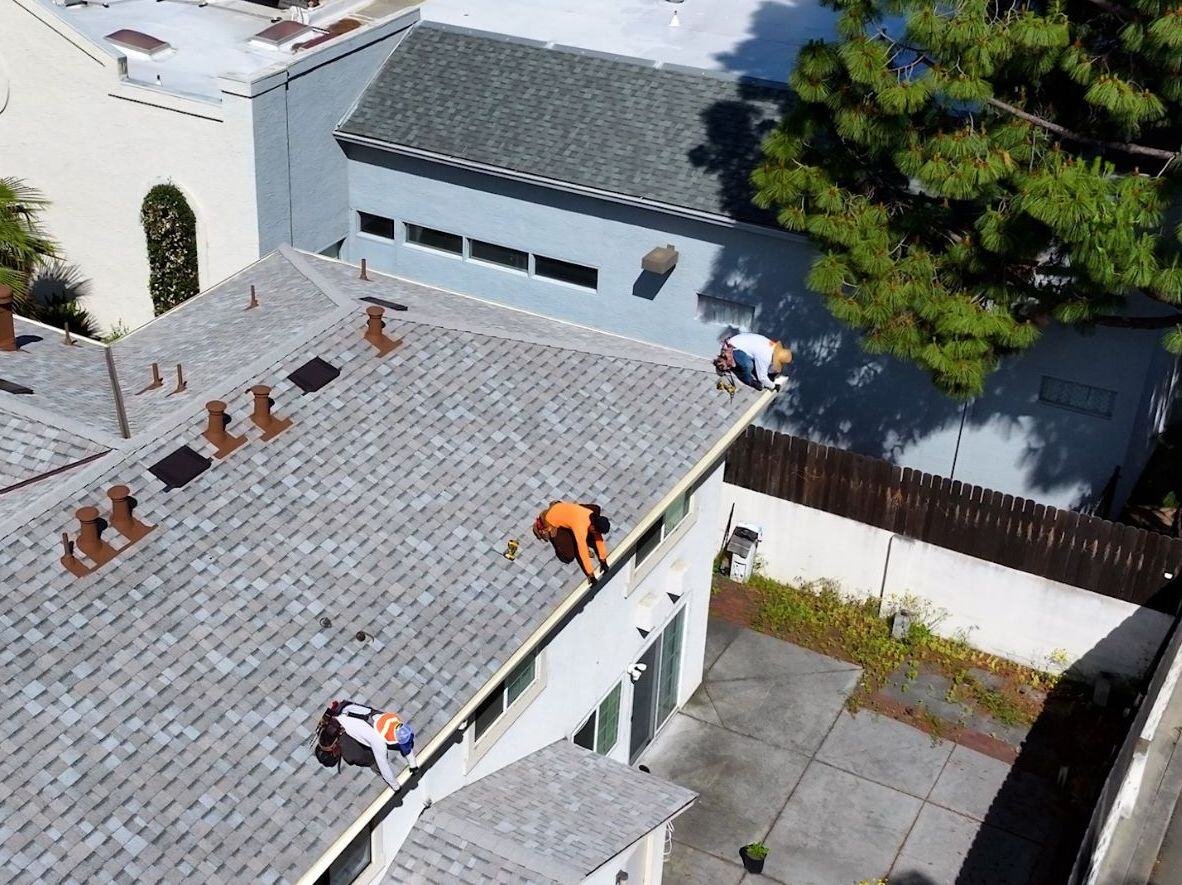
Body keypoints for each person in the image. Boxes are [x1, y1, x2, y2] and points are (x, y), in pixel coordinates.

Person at [312, 700, 408, 790]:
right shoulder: (332, 721)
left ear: (333, 753)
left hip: (387, 733)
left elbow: (375, 760)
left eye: (337, 757)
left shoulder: (350, 755)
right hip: (379, 718)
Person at [533, 501, 610, 580]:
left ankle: (570, 529)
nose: (596, 533)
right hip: (550, 519)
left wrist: (603, 561)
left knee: (596, 509)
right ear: (593, 526)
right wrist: (591, 575)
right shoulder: (580, 527)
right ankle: (550, 533)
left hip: (562, 510)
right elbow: (583, 552)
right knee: (568, 556)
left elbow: (599, 539)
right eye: (595, 531)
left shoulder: (592, 514)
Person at [717, 333, 792, 391]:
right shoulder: (765, 355)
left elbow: (769, 367)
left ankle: (743, 367)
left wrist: (770, 376)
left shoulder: (772, 347)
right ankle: (746, 378)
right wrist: (773, 386)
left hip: (742, 343)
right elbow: (762, 378)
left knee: (759, 367)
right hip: (733, 348)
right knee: (748, 365)